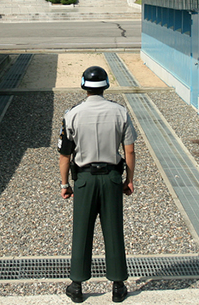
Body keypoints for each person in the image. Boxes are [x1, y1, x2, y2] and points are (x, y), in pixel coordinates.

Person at [58, 66, 136, 303]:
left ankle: (77, 285)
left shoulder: (72, 114)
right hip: (112, 178)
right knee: (113, 229)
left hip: (84, 180)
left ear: (84, 85)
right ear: (105, 85)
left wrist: (64, 184)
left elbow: (64, 155)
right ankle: (118, 285)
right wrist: (129, 180)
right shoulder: (121, 112)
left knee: (82, 229)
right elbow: (130, 150)